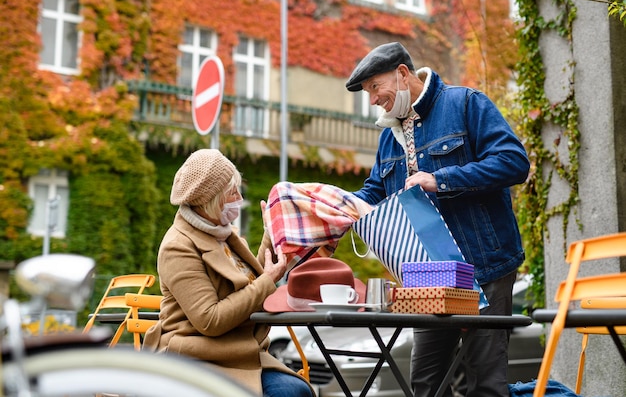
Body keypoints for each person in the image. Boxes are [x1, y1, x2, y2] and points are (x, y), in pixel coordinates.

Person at [346, 42, 530, 397]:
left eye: (374, 87)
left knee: (486, 384)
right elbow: (374, 191)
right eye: (366, 92)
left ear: (402, 74)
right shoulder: (389, 136)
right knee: (426, 385)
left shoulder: (465, 103)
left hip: (485, 265)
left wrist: (441, 179)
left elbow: (514, 161)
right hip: (427, 277)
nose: (371, 99)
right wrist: (339, 206)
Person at [143, 149, 314, 397]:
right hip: (197, 357)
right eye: (232, 191)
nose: (239, 197)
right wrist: (269, 280)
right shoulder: (177, 246)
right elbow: (210, 320)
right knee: (287, 394)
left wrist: (272, 234)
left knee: (296, 391)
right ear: (211, 200)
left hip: (239, 351)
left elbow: (249, 285)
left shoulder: (222, 233)